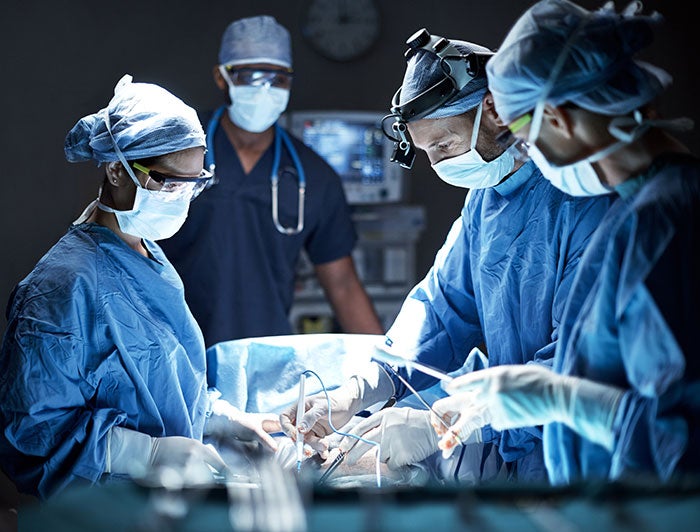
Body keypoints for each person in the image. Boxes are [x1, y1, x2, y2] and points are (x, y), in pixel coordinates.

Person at [280, 28, 613, 483]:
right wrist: (361, 391)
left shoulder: (585, 200)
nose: (438, 165)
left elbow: (581, 367)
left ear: (494, 111)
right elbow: (442, 309)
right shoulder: (486, 200)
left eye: (445, 145)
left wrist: (453, 418)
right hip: (519, 450)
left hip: (590, 461)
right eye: (426, 151)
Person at [432, 0, 699, 485]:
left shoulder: (662, 226)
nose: (527, 155)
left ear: (557, 119)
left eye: (524, 139)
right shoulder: (641, 212)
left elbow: (683, 436)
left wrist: (560, 398)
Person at [0, 75, 280, 500]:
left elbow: (167, 383)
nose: (181, 197)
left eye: (194, 183)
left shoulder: (147, 256)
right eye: (169, 183)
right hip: (104, 511)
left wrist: (223, 419)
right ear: (116, 169)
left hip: (165, 503)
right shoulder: (60, 288)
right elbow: (35, 433)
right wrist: (145, 456)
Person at [160, 15, 383, 346]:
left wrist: (392, 370)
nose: (264, 88)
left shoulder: (313, 176)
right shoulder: (175, 147)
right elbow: (120, 239)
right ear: (221, 78)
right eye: (250, 75)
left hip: (261, 354)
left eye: (277, 78)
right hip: (168, 344)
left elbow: (343, 285)